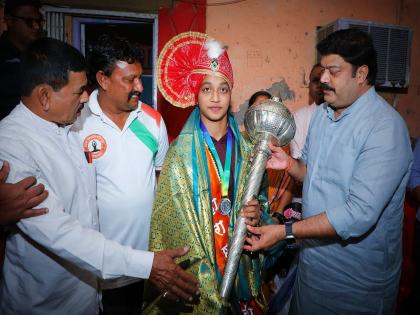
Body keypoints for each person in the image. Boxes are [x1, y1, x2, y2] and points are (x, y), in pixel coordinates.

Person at [0, 37, 198, 315]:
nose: (85, 98)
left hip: (88, 292)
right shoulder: (12, 143)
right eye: (79, 91)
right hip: (44, 302)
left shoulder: (64, 126)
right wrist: (147, 264)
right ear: (45, 96)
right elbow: (61, 233)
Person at [244, 28, 412, 314]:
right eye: (323, 70)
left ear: (361, 74)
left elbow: (358, 214)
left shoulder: (385, 128)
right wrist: (291, 166)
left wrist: (284, 232)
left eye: (333, 71)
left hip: (355, 287)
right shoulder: (323, 115)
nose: (322, 79)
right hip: (311, 270)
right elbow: (314, 173)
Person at [143, 32, 283, 314]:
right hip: (201, 269)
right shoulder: (178, 153)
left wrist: (258, 215)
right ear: (196, 94)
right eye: (207, 89)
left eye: (223, 89)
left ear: (232, 93)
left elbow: (265, 208)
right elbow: (170, 224)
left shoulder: (249, 150)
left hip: (240, 266)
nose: (216, 98)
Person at [72, 34, 169, 315]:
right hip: (101, 269)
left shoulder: (152, 121)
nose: (139, 86)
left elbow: (161, 180)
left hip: (148, 264)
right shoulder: (77, 124)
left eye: (140, 77)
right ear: (103, 80)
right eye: (130, 79)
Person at [247, 91, 293, 217]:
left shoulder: (283, 151)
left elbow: (290, 184)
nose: (264, 112)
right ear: (251, 112)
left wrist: (277, 217)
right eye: (261, 106)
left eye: (269, 108)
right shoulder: (240, 143)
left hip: (272, 218)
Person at [0, 0, 43, 119]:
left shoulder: (41, 55)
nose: (36, 26)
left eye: (39, 21)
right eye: (29, 21)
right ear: (9, 20)